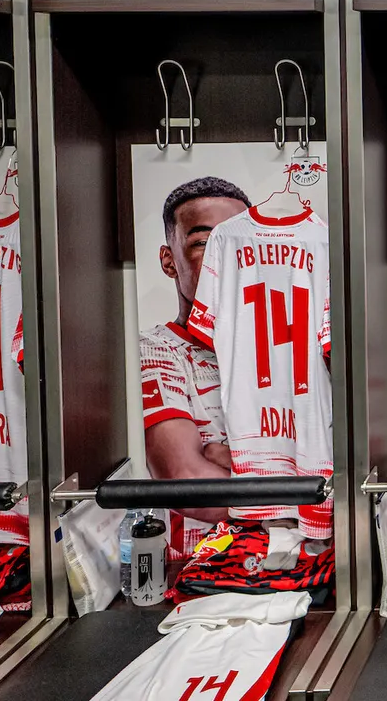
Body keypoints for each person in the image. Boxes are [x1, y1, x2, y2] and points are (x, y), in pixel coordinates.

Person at [138, 177, 250, 552]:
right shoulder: (154, 351)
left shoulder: (286, 350)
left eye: (235, 243)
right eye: (203, 242)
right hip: (195, 573)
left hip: (293, 563)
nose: (221, 258)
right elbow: (186, 480)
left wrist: (225, 456)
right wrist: (281, 484)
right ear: (169, 260)